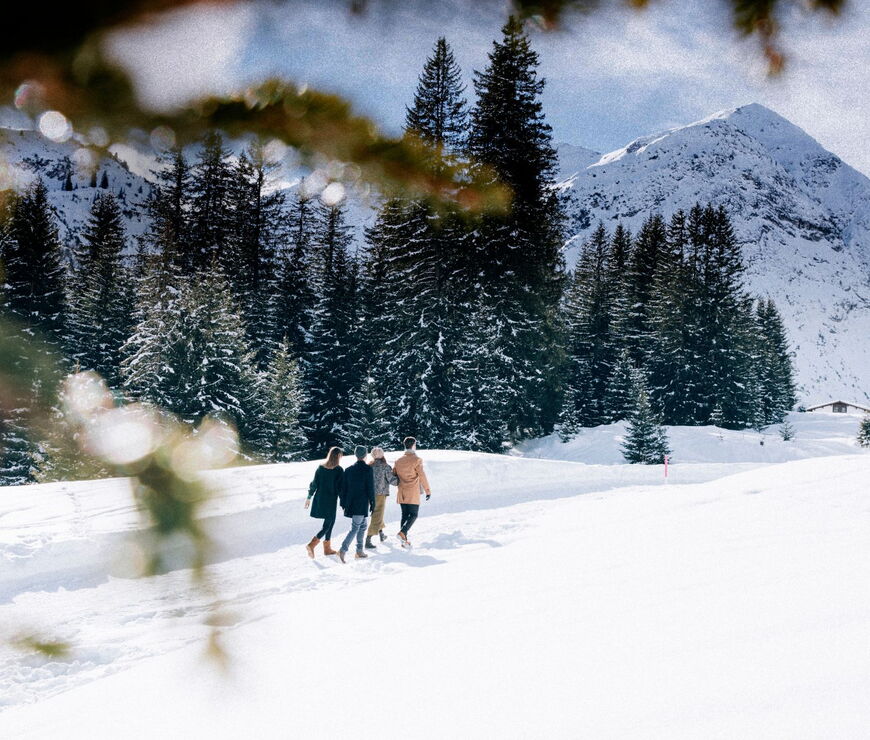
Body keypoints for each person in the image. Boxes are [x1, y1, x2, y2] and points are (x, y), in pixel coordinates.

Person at [304, 446, 344, 558]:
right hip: (330, 500)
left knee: (331, 522)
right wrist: (343, 502)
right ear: (338, 456)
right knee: (328, 524)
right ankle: (312, 544)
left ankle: (327, 548)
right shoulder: (338, 470)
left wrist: (309, 497)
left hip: (320, 499)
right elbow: (341, 488)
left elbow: (314, 483)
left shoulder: (321, 467)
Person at [338, 445, 376, 562]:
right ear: (365, 455)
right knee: (355, 528)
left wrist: (343, 503)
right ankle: (343, 550)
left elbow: (343, 488)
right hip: (361, 503)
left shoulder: (348, 470)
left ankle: (359, 551)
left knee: (363, 526)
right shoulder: (368, 469)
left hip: (351, 502)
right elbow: (370, 488)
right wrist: (373, 502)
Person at [392, 436, 431, 548]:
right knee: (413, 514)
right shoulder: (417, 460)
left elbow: (394, 474)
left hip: (402, 491)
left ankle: (404, 541)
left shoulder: (398, 460)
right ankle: (402, 533)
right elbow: (422, 476)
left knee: (404, 516)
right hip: (413, 492)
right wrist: (428, 490)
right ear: (413, 445)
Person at [365, 446, 397, 549]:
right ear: (382, 454)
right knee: (377, 514)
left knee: (377, 513)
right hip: (380, 494)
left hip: (369, 494)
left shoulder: (369, 466)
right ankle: (368, 539)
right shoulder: (385, 466)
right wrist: (402, 481)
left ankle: (381, 534)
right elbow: (392, 480)